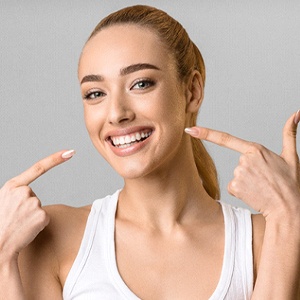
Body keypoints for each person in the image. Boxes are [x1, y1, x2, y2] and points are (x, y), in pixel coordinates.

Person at [0, 5, 299, 300]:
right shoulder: (53, 239)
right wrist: (2, 256)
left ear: (192, 91)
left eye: (140, 84)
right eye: (96, 94)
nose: (116, 113)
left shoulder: (265, 237)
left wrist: (289, 215)